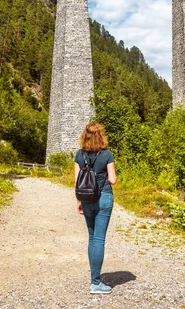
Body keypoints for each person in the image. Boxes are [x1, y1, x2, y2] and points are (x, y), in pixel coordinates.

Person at [74, 121, 117, 295]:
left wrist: (78, 201)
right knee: (99, 239)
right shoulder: (107, 154)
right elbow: (113, 179)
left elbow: (77, 182)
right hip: (104, 197)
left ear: (85, 136)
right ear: (101, 136)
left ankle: (94, 279)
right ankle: (96, 282)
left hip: (85, 198)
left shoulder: (79, 155)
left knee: (92, 238)